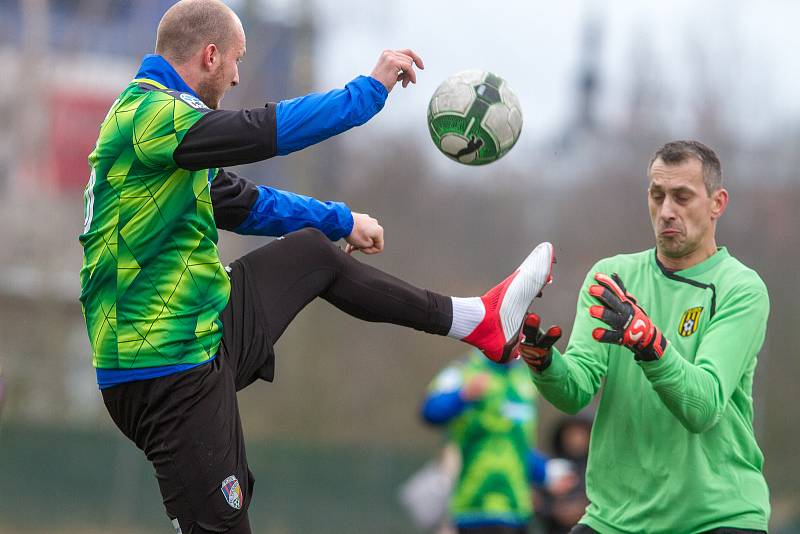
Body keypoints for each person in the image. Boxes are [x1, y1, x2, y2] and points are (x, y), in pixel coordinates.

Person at [78, 1, 555, 533]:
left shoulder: (170, 139)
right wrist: (366, 95)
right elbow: (259, 132)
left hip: (198, 337)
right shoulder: (149, 115)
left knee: (311, 254)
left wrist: (340, 221)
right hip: (163, 371)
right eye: (236, 61)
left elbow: (244, 202)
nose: (238, 76)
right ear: (210, 56)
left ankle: (477, 319)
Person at [518, 140, 770, 533]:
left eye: (682, 197)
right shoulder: (613, 277)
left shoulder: (741, 288)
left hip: (716, 517)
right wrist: (546, 365)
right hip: (615, 518)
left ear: (717, 203)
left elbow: (702, 407)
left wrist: (649, 344)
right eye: (658, 195)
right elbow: (575, 391)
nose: (667, 210)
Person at [420, 350, 572, 534]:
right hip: (473, 506)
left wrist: (546, 473)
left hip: (515, 509)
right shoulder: (466, 369)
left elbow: (516, 447)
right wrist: (462, 395)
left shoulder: (525, 379)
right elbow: (429, 412)